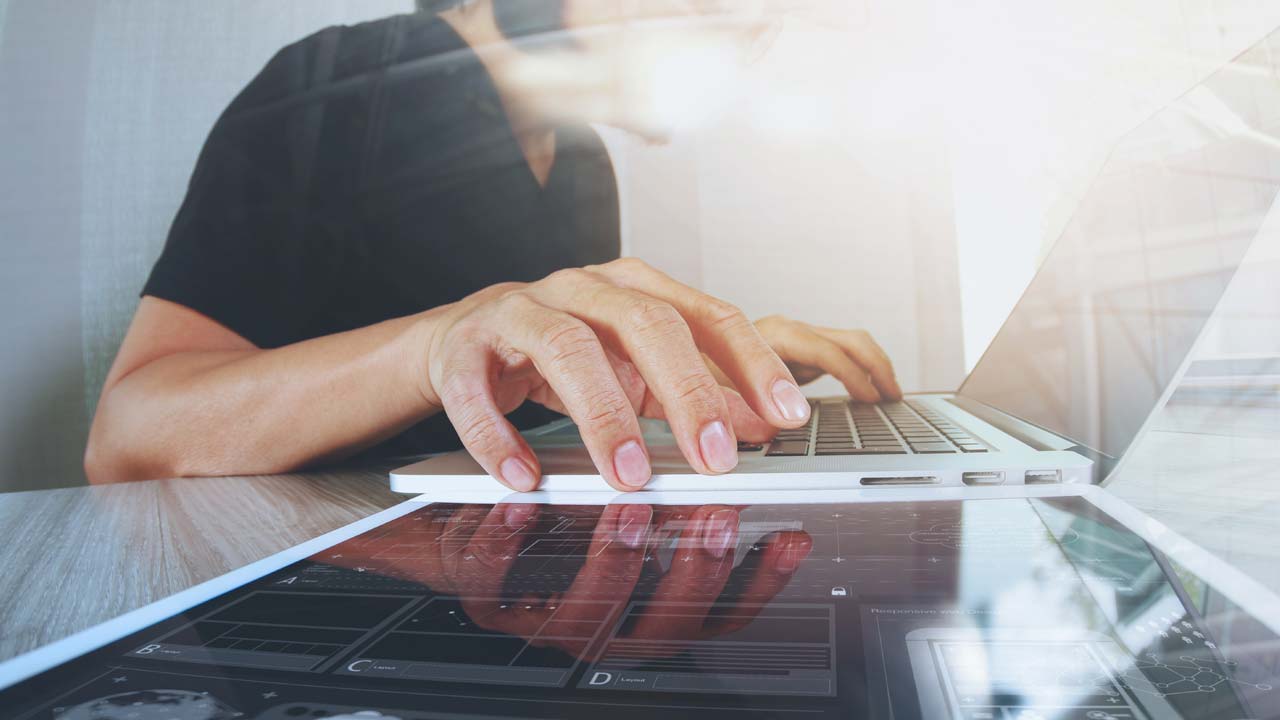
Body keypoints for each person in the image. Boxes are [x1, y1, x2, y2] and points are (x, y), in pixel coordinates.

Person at [84, 0, 902, 492]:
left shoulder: (583, 163)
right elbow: (128, 438)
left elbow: (551, 390)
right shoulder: (340, 85)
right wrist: (436, 347)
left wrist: (712, 366)